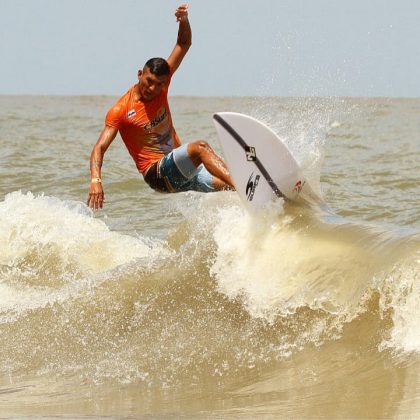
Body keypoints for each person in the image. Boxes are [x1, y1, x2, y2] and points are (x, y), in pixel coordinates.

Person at [87, 3, 234, 210]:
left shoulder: (162, 86)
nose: (153, 88)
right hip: (157, 173)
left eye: (159, 84)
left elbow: (183, 43)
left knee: (230, 187)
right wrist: (96, 181)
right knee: (200, 148)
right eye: (148, 81)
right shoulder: (121, 109)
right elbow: (99, 148)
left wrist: (183, 20)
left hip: (180, 172)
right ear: (140, 74)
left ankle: (265, 197)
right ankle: (245, 183)